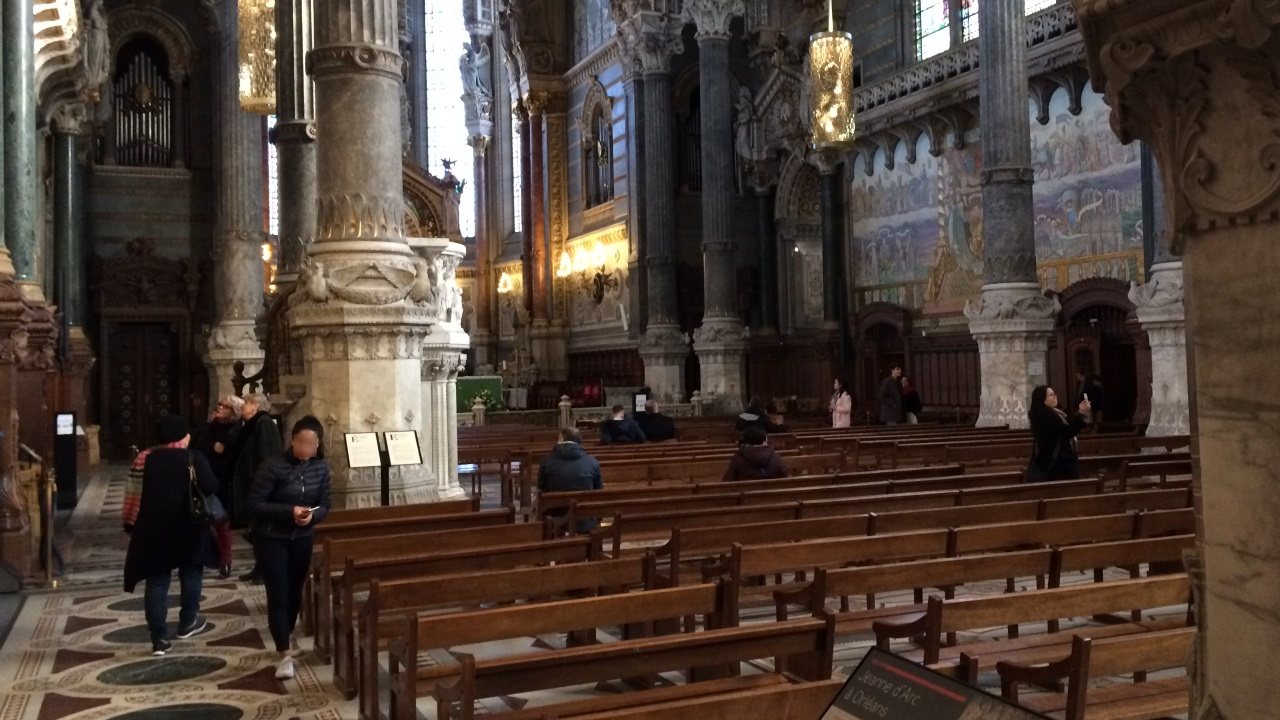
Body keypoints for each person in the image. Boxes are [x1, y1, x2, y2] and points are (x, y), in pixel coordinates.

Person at [122, 415, 218, 656]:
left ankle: (159, 638)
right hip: (189, 526)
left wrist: (130, 524)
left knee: (157, 581)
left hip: (153, 528)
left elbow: (132, 494)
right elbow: (210, 486)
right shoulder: (193, 458)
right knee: (192, 572)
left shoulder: (144, 458)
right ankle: (187, 622)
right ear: (183, 436)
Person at [248, 415, 332, 681]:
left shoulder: (321, 468)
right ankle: (283, 652)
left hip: (302, 538)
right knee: (279, 593)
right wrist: (289, 511)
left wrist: (313, 515)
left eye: (310, 443)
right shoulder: (272, 466)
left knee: (295, 591)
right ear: (292, 440)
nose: (304, 447)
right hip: (271, 538)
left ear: (318, 444)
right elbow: (254, 504)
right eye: (300, 442)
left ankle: (286, 635)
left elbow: (325, 503)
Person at [232, 393, 282, 583]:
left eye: (245, 403)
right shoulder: (252, 425)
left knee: (262, 531)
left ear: (256, 406)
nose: (242, 406)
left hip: (261, 487)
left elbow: (267, 456)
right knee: (257, 531)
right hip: (253, 485)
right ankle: (258, 568)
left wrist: (262, 484)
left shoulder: (264, 424)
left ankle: (264, 569)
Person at [192, 395, 243, 578]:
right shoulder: (205, 429)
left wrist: (224, 452)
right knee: (199, 520)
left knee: (222, 523)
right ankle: (201, 557)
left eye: (225, 406)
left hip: (221, 482)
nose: (219, 407)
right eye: (219, 404)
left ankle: (225, 561)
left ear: (234, 413)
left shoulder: (236, 433)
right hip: (199, 481)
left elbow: (238, 461)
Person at [536, 427, 603, 534]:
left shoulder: (547, 461)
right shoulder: (592, 462)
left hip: (555, 515)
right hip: (585, 516)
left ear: (561, 439)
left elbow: (541, 488)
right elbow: (599, 491)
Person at [1027, 385, 1091, 481]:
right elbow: (1067, 431)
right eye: (1051, 395)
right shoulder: (1046, 418)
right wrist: (1081, 413)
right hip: (1057, 463)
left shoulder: (1051, 414)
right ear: (1043, 400)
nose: (1055, 396)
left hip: (1057, 461)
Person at [723, 426, 787, 481]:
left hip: (745, 493)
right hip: (773, 493)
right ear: (765, 439)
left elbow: (727, 480)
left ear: (746, 440)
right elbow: (785, 477)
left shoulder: (739, 457)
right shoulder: (774, 456)